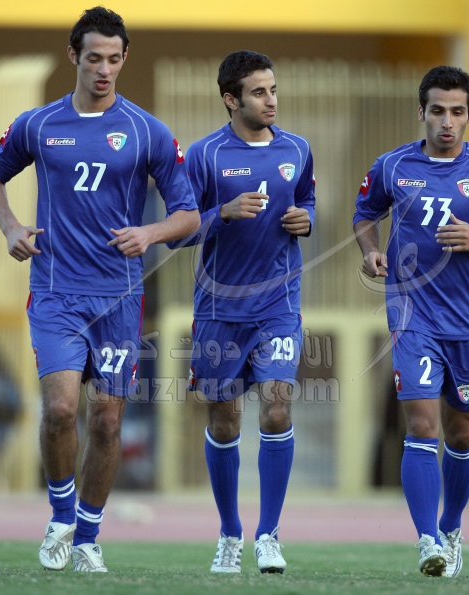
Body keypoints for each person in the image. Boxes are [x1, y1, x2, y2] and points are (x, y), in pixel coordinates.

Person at [0, 7, 199, 573]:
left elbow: (189, 214)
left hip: (119, 299)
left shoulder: (147, 131)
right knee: (59, 409)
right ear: (73, 56)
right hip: (55, 291)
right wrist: (11, 227)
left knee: (106, 421)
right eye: (94, 58)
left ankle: (88, 539)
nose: (104, 69)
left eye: (114, 59)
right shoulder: (38, 124)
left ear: (124, 60)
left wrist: (149, 233)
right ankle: (60, 517)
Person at [353, 66, 469, 577]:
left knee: (461, 430)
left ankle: (451, 525)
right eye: (438, 111)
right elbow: (364, 214)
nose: (447, 122)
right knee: (422, 424)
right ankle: (428, 540)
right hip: (412, 316)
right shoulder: (393, 166)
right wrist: (370, 251)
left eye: (457, 111)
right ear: (422, 112)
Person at [175, 50, 315, 574]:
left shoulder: (297, 149)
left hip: (278, 306)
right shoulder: (205, 155)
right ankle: (229, 533)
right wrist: (222, 213)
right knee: (225, 419)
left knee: (277, 408)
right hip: (219, 310)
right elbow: (177, 232)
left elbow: (307, 200)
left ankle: (269, 535)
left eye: (273, 89)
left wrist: (306, 219)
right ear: (231, 100)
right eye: (258, 92)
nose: (271, 100)